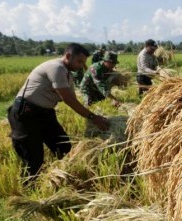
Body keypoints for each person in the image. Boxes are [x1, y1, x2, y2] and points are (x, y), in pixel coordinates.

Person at [7, 43, 109, 183]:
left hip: (45, 113)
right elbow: (67, 99)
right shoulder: (56, 68)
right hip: (26, 114)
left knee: (63, 147)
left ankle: (64, 180)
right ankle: (28, 193)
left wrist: (93, 112)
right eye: (79, 61)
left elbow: (73, 98)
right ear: (68, 56)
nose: (81, 66)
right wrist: (92, 117)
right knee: (33, 158)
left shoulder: (68, 75)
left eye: (83, 62)